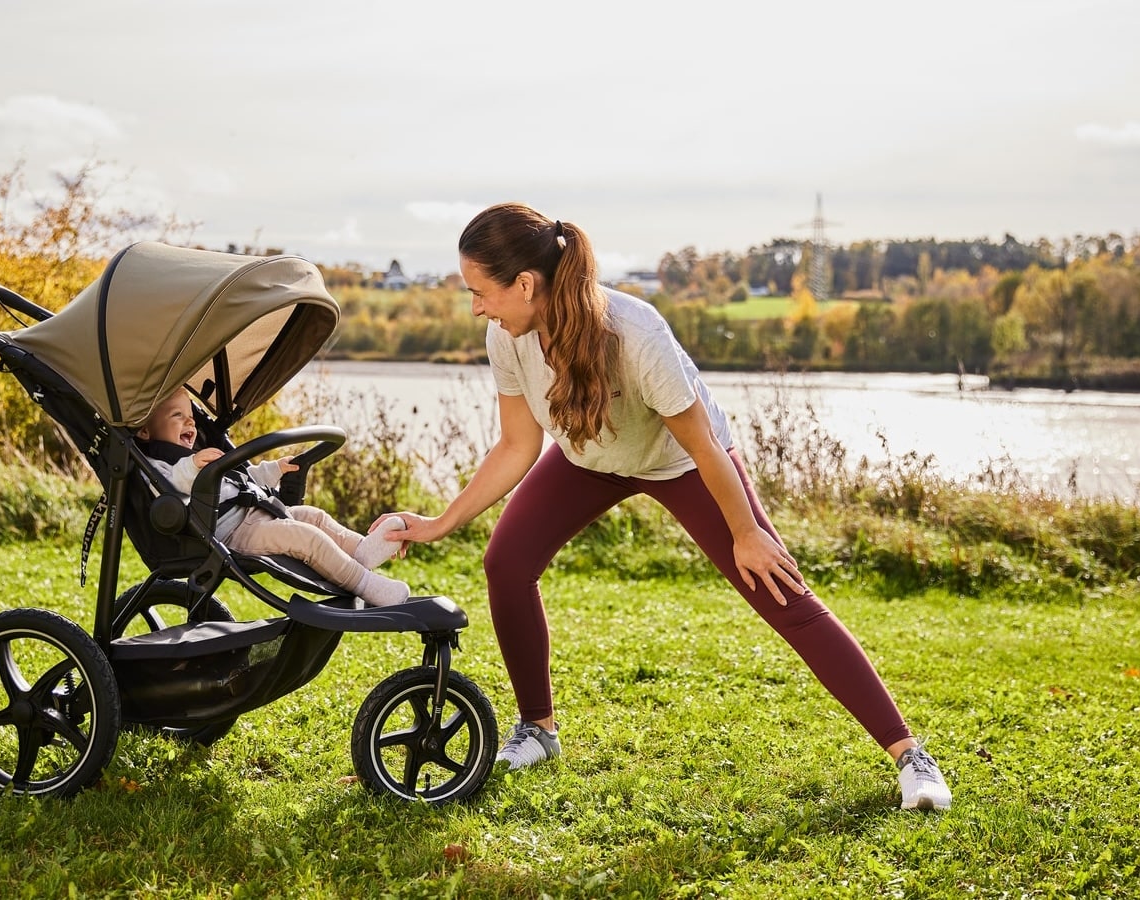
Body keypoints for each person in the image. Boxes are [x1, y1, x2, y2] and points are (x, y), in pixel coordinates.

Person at [373, 202, 951, 810]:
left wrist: (745, 531)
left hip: (681, 462)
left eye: (479, 292)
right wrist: (442, 522)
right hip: (589, 458)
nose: (476, 308)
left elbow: (704, 446)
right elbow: (518, 445)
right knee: (506, 563)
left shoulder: (636, 333)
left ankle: (910, 755)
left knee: (781, 591)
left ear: (524, 284)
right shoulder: (507, 338)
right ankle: (538, 730)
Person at [136, 391, 411, 607]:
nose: (190, 422)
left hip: (256, 511)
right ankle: (364, 584)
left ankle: (361, 551)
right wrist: (193, 466)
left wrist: (274, 469)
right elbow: (170, 490)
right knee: (305, 538)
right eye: (177, 415)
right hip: (229, 533)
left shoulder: (198, 454)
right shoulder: (158, 466)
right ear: (145, 431)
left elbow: (241, 478)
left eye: (190, 416)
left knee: (313, 516)